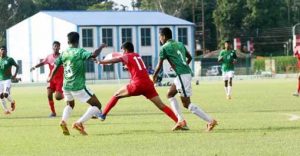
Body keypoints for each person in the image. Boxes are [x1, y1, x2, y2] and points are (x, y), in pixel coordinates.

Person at [96, 41, 183, 130]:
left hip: (137, 84)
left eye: (122, 51)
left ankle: (103, 115)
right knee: (161, 105)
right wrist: (128, 66)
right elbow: (138, 66)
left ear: (126, 50)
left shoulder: (126, 55)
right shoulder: (137, 55)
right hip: (148, 85)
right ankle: (179, 122)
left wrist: (101, 62)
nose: (122, 53)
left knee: (116, 95)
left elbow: (116, 60)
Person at [153, 27, 217, 132]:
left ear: (164, 36)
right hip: (182, 74)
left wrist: (154, 76)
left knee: (186, 104)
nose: (159, 39)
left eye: (160, 37)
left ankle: (210, 121)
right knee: (170, 94)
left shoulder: (164, 47)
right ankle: (181, 121)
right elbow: (190, 57)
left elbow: (159, 65)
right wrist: (182, 66)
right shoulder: (180, 44)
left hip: (183, 75)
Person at [48, 32, 105, 135]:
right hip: (77, 86)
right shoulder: (79, 51)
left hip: (66, 85)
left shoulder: (64, 53)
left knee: (70, 104)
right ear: (78, 41)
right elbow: (94, 54)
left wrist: (50, 77)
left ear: (68, 41)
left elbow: (55, 67)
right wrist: (101, 46)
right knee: (97, 105)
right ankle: (79, 123)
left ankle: (63, 121)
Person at [30, 41, 64, 117]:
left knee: (58, 97)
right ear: (52, 47)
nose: (56, 47)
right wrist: (34, 67)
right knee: (49, 94)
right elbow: (42, 63)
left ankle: (66, 94)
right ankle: (53, 112)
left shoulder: (63, 56)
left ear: (59, 47)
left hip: (60, 79)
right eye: (55, 46)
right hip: (51, 78)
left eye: (57, 46)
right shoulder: (49, 57)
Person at [0, 46, 18, 114]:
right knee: (0, 95)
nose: (2, 51)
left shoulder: (9, 59)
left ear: (6, 51)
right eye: (1, 50)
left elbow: (17, 66)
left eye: (3, 50)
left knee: (5, 94)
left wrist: (15, 75)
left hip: (7, 79)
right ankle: (6, 110)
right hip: (0, 80)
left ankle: (12, 101)